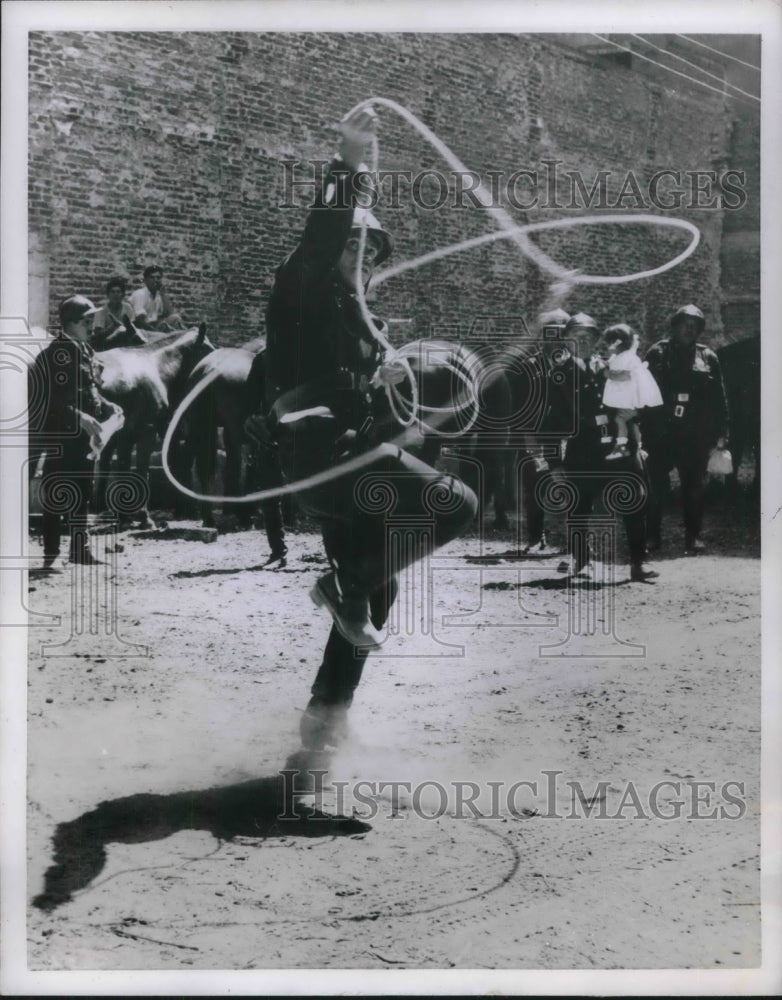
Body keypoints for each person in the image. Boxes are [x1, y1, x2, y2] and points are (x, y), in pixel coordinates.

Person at [265, 105, 478, 749]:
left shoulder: (365, 327)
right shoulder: (298, 293)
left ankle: (326, 715)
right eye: (352, 245)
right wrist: (348, 163)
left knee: (376, 590)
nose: (359, 254)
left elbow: (378, 413)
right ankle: (340, 586)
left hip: (351, 456)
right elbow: (321, 238)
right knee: (455, 503)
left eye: (370, 247)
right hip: (319, 455)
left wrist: (388, 386)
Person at [544, 312, 658, 583]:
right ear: (566, 341)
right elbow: (548, 420)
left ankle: (638, 563)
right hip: (583, 449)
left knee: (634, 499)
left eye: (587, 337)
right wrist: (554, 463)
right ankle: (581, 558)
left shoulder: (611, 367)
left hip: (617, 448)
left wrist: (638, 444)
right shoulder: (558, 374)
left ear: (596, 340)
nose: (581, 342)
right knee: (579, 506)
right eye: (575, 337)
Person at [28, 295, 124, 571]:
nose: (92, 326)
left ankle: (79, 550)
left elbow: (90, 391)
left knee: (83, 491)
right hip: (60, 435)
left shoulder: (85, 351)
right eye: (87, 321)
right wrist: (80, 417)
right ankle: (51, 553)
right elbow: (52, 400)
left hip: (85, 436)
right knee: (57, 491)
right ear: (70, 323)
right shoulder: (52, 355)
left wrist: (107, 406)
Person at [644, 304, 729, 554]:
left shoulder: (708, 357)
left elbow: (719, 397)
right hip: (661, 434)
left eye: (695, 325)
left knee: (693, 488)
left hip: (694, 436)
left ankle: (693, 537)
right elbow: (643, 392)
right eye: (685, 323)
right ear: (674, 326)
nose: (690, 329)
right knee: (656, 488)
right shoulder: (657, 353)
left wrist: (722, 433)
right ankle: (652, 537)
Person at [501, 307, 570, 555]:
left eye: (561, 334)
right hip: (537, 436)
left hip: (569, 437)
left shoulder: (574, 366)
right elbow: (520, 407)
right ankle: (535, 536)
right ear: (542, 337)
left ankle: (576, 541)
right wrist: (529, 438)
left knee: (573, 487)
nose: (556, 340)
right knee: (535, 487)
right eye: (550, 335)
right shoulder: (528, 367)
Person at [601, 323, 663, 461]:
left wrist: (609, 374)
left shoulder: (626, 357)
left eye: (609, 344)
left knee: (620, 419)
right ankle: (640, 447)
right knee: (633, 422)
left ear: (616, 343)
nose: (607, 347)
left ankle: (621, 447)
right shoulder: (623, 356)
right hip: (630, 399)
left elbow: (625, 375)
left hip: (629, 400)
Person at [128, 265, 184, 332]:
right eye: (152, 277)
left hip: (153, 326)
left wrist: (163, 295)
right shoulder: (140, 294)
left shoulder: (158, 295)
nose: (155, 280)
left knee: (175, 318)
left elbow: (168, 314)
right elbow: (139, 321)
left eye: (158, 278)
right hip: (140, 329)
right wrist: (155, 331)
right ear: (145, 280)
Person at [91, 275, 136, 349]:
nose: (115, 295)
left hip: (124, 343)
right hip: (107, 344)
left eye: (118, 292)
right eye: (112, 292)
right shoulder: (101, 311)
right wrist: (113, 327)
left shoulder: (128, 308)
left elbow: (133, 329)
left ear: (123, 295)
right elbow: (98, 335)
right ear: (108, 295)